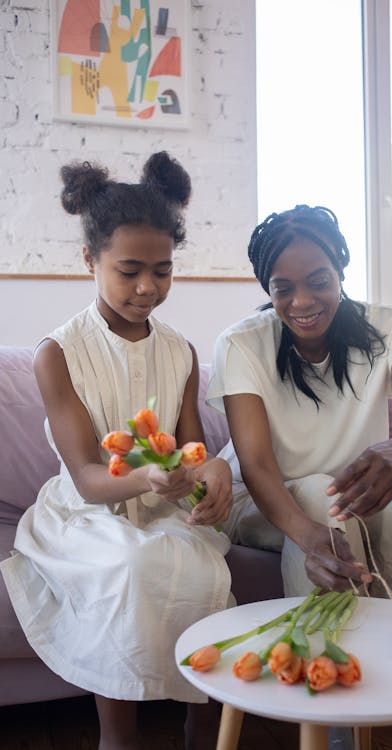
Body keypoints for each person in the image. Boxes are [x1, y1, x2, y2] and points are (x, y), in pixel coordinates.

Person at [0, 152, 233, 750]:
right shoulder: (59, 352)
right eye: (129, 270)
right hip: (88, 509)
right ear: (90, 260)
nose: (148, 287)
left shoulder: (180, 352)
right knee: (128, 566)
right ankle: (118, 735)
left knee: (203, 567)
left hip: (161, 503)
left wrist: (205, 471)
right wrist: (144, 481)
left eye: (162, 270)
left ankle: (201, 724)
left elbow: (188, 448)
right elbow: (84, 475)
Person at [207, 204, 392, 602]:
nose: (302, 301)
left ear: (340, 272)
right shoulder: (241, 344)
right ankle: (336, 657)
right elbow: (256, 466)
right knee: (318, 494)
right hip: (266, 500)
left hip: (352, 493)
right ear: (268, 289)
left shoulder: (389, 326)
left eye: (318, 281)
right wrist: (310, 538)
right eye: (283, 289)